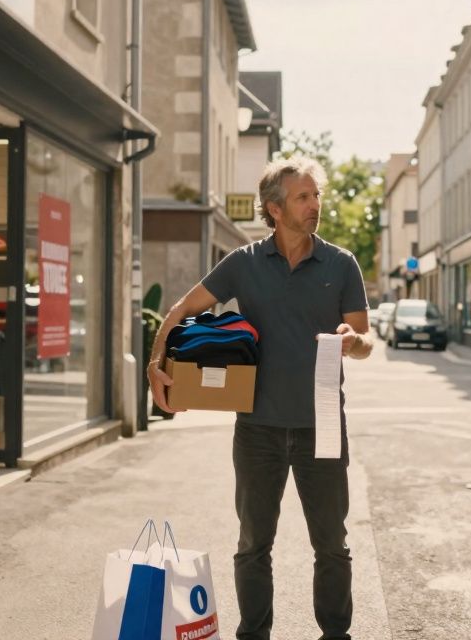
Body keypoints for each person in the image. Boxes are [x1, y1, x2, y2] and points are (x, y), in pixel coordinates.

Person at [147, 156, 372, 640]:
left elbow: (366, 339)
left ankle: (337, 635)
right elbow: (181, 309)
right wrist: (155, 366)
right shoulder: (244, 264)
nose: (315, 205)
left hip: (323, 425)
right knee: (253, 545)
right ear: (274, 208)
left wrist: (353, 342)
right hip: (257, 428)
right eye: (303, 197)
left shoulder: (341, 264)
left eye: (316, 195)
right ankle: (254, 635)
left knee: (332, 544)